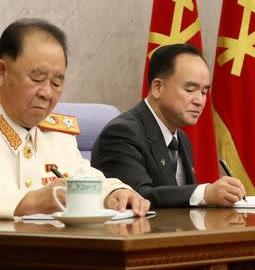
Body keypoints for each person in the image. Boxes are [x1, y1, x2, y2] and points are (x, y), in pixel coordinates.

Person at [0, 18, 149, 218]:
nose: (46, 93)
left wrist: (114, 192)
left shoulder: (58, 135)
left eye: (56, 83)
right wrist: (30, 202)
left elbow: (85, 177)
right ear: (2, 72)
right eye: (37, 78)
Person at [91, 44, 245, 208]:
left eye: (204, 92)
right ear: (158, 87)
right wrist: (204, 193)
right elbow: (138, 198)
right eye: (190, 89)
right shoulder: (121, 134)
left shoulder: (181, 139)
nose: (199, 101)